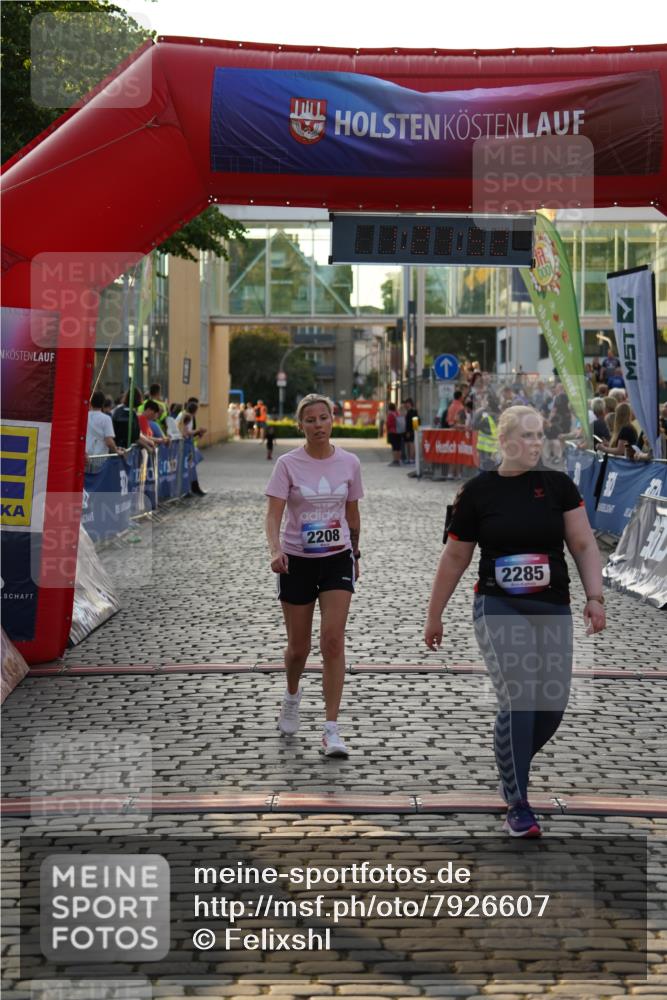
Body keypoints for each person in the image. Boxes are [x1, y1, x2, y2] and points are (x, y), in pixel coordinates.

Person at [424, 405, 606, 838]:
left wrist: (594, 597)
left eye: (539, 435)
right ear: (504, 442)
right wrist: (435, 615)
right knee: (519, 695)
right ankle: (518, 803)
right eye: (527, 436)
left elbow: (582, 544)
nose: (536, 443)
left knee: (552, 706)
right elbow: (455, 557)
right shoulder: (476, 494)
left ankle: (511, 754)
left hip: (552, 606)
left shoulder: (558, 486)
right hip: (498, 605)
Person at [265, 393, 364, 758]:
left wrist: (355, 553)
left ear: (333, 420)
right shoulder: (288, 464)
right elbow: (273, 514)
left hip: (337, 557)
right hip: (296, 560)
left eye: (324, 417)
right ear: (301, 425)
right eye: (311, 419)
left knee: (333, 641)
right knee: (299, 648)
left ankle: (331, 729)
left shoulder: (350, 463)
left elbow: (352, 514)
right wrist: (275, 550)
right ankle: (292, 694)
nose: (318, 424)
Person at [86, 390, 125, 457]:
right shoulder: (106, 419)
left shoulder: (84, 417)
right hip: (100, 457)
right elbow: (109, 441)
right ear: (103, 403)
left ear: (90, 402)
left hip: (86, 457)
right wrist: (117, 451)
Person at [385, 401, 403, 466]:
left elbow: (388, 424)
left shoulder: (390, 415)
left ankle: (395, 460)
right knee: (398, 447)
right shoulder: (397, 413)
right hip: (399, 431)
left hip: (392, 432)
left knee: (394, 447)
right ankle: (399, 460)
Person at [403, 398, 419, 464]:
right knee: (409, 444)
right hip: (410, 430)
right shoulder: (409, 411)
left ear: (410, 404)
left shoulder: (412, 412)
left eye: (407, 403)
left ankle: (412, 458)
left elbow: (414, 421)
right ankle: (410, 458)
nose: (406, 405)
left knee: (411, 444)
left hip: (411, 430)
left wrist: (412, 431)